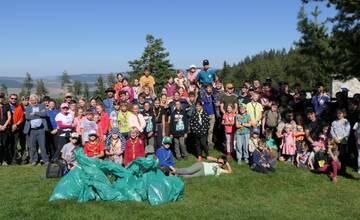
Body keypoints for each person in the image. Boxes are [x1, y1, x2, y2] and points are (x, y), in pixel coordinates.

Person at [24, 94, 49, 165]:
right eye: (31, 100)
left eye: (34, 100)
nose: (33, 101)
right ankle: (34, 160)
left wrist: (35, 113)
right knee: (32, 146)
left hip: (41, 129)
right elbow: (27, 116)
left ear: (37, 100)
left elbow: (44, 114)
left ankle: (45, 160)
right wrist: (39, 116)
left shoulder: (41, 106)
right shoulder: (28, 107)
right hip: (31, 130)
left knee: (42, 145)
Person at [330, 108, 350, 174]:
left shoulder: (346, 121)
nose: (339, 115)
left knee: (343, 155)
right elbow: (332, 131)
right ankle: (335, 168)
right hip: (335, 141)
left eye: (340, 113)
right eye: (338, 113)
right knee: (335, 154)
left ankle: (343, 170)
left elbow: (347, 131)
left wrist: (340, 138)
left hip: (343, 141)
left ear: (343, 114)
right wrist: (335, 138)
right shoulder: (334, 122)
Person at [8, 93, 25, 164]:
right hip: (7, 129)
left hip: (16, 128)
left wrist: (16, 125)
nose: (13, 100)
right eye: (12, 98)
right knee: (8, 144)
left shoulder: (19, 107)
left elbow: (22, 117)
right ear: (9, 99)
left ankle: (14, 159)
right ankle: (7, 159)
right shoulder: (6, 106)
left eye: (15, 99)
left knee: (15, 144)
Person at [201, 84, 216, 148]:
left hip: (212, 115)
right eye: (208, 88)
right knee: (205, 130)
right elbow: (201, 105)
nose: (209, 89)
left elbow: (216, 102)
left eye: (210, 88)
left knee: (211, 130)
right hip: (205, 115)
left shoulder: (213, 96)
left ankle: (209, 142)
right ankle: (204, 142)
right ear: (206, 89)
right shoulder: (203, 97)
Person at [0, 93, 11, 165]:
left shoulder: (6, 106)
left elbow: (9, 117)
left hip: (5, 128)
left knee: (5, 145)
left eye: (1, 97)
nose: (0, 98)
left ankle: (4, 160)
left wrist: (4, 126)